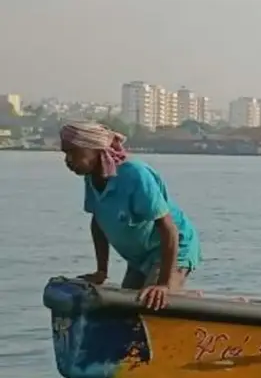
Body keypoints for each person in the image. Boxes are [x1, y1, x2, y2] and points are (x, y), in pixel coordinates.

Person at [60, 121, 201, 310]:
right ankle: (179, 294)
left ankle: (179, 294)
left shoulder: (135, 175)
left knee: (153, 303)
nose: (68, 160)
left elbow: (169, 229)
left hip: (172, 249)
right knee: (124, 307)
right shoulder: (92, 177)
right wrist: (102, 271)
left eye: (74, 153)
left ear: (95, 150)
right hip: (139, 256)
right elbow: (98, 221)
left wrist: (163, 284)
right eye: (65, 154)